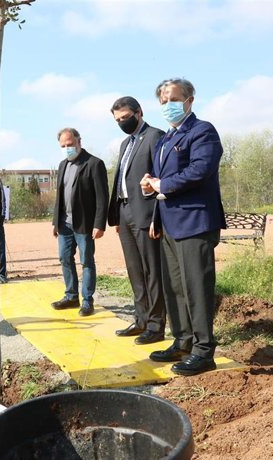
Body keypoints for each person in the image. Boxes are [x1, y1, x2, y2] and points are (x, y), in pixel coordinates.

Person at [141, 78, 226, 376]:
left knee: (196, 288)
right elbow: (160, 182)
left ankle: (204, 351)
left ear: (190, 100)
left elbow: (200, 170)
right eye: (163, 101)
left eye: (174, 99)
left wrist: (162, 184)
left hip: (194, 221)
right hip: (169, 224)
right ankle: (183, 341)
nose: (168, 106)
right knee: (175, 287)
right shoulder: (165, 139)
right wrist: (151, 192)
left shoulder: (202, 131)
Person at [107, 96, 167, 344]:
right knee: (134, 270)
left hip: (145, 212)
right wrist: (118, 215)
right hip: (125, 210)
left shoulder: (155, 136)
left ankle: (155, 325)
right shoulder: (124, 143)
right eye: (118, 120)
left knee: (151, 270)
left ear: (138, 112)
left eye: (125, 117)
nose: (122, 122)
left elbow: (161, 178)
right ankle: (141, 319)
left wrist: (157, 217)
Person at [51, 128, 109, 317]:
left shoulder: (94, 164)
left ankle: (87, 301)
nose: (67, 148)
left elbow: (102, 197)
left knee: (86, 261)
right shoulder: (62, 165)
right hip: (64, 223)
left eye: (70, 144)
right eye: (63, 146)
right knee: (64, 258)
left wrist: (99, 224)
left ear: (79, 142)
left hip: (84, 223)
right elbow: (59, 195)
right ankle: (71, 296)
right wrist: (55, 221)